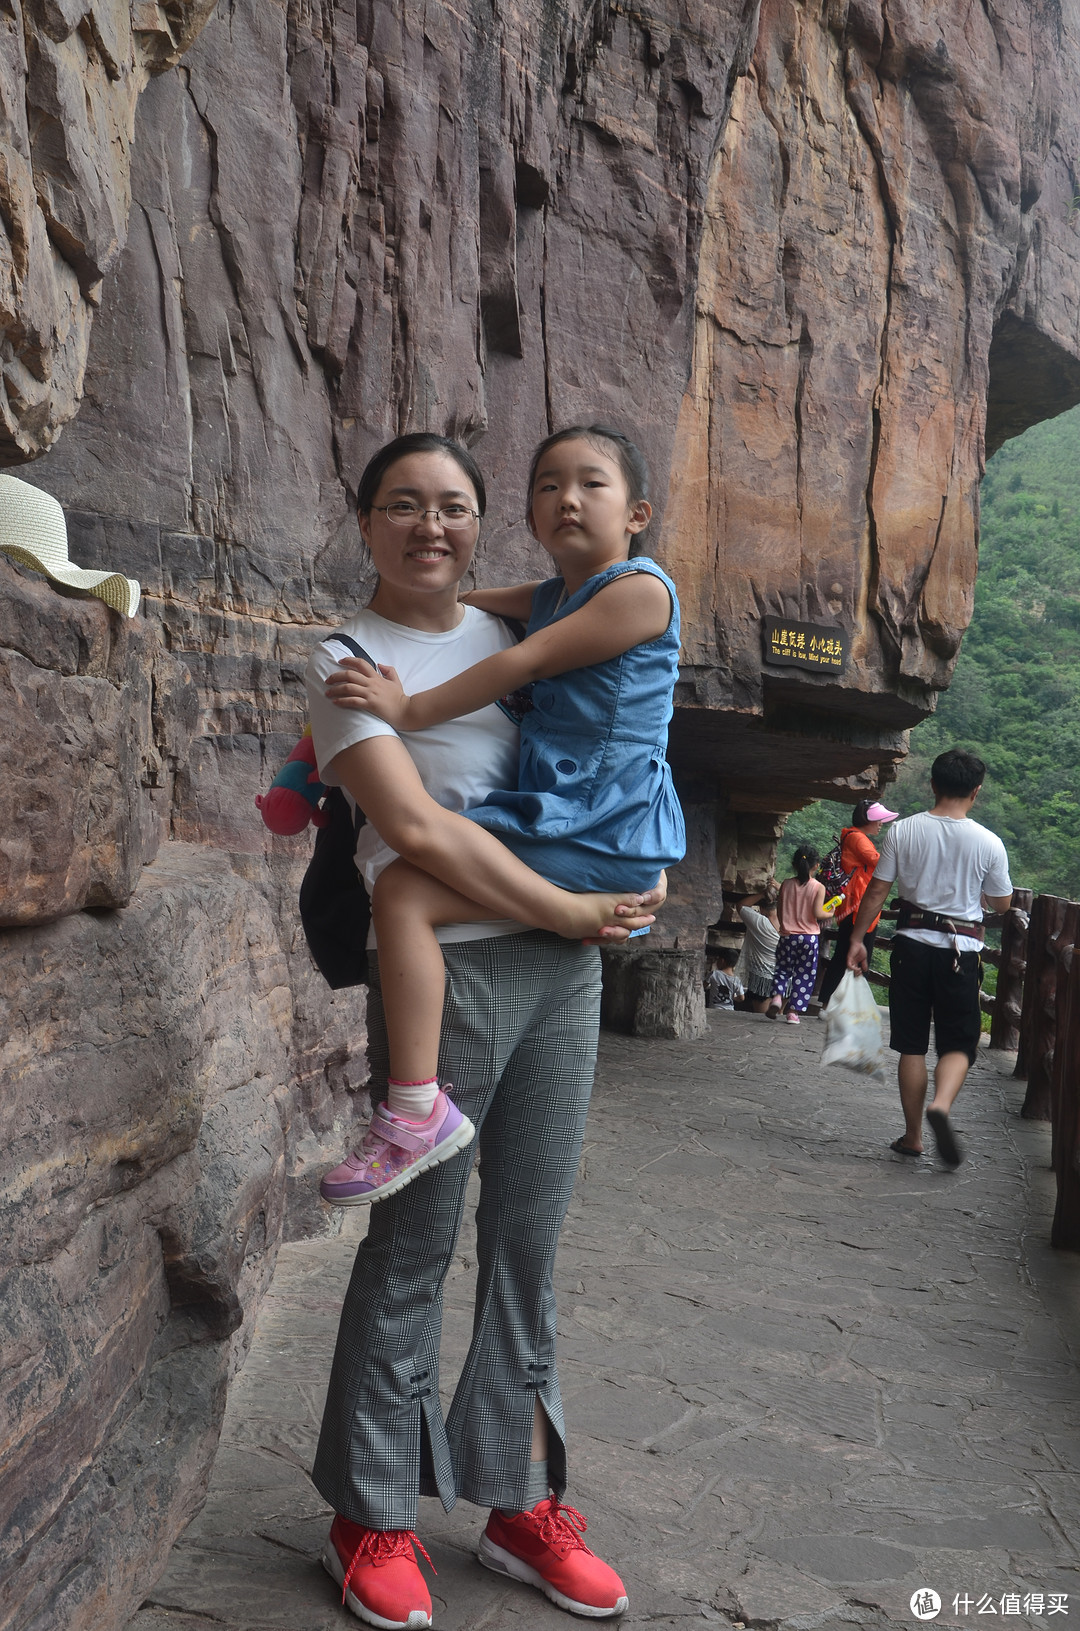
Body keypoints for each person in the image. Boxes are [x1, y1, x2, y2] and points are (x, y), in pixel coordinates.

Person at [302, 430, 670, 1630]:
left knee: (529, 1241)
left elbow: (589, 715)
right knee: (414, 1242)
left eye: (455, 506)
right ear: (363, 523)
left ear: (479, 523)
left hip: (559, 973)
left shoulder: (512, 626)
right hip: (450, 973)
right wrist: (573, 902)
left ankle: (517, 1497)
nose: (431, 526)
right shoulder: (348, 660)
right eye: (402, 505)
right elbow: (413, 831)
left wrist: (606, 897)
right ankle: (370, 1510)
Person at [316, 422, 684, 1208]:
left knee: (405, 891)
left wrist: (407, 707)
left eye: (591, 484)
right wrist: (431, 595)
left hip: (595, 818)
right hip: (575, 816)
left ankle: (413, 1109)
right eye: (548, 485)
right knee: (445, 1229)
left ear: (639, 513)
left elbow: (523, 661)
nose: (567, 499)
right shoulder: (552, 597)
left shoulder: (641, 590)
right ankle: (415, 1109)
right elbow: (483, 601)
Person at [847, 748, 1012, 1167]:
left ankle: (914, 1135)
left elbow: (878, 891)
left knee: (912, 1044)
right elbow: (1001, 901)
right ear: (976, 791)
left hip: (912, 947)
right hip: (962, 951)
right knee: (959, 1042)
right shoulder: (989, 842)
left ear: (933, 784)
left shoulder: (902, 832)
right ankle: (941, 1104)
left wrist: (857, 940)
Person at [817, 798, 898, 1008]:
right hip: (859, 906)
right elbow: (879, 862)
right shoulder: (858, 839)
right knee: (856, 955)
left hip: (856, 904)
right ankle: (833, 1004)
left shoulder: (853, 836)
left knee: (845, 953)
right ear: (868, 819)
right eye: (879, 819)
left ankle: (832, 1002)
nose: (881, 823)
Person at [766, 846, 834, 1024]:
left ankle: (777, 998)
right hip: (809, 938)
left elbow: (780, 911)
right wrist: (831, 912)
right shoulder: (818, 887)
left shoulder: (786, 884)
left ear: (794, 864)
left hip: (787, 935)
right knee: (804, 975)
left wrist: (784, 927)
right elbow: (818, 913)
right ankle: (793, 1013)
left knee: (783, 969)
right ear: (816, 866)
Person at [735, 893, 780, 1013]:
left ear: (761, 909)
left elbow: (741, 905)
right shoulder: (788, 921)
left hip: (762, 979)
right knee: (779, 1018)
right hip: (785, 978)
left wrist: (762, 893)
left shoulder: (759, 922)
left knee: (761, 1018)